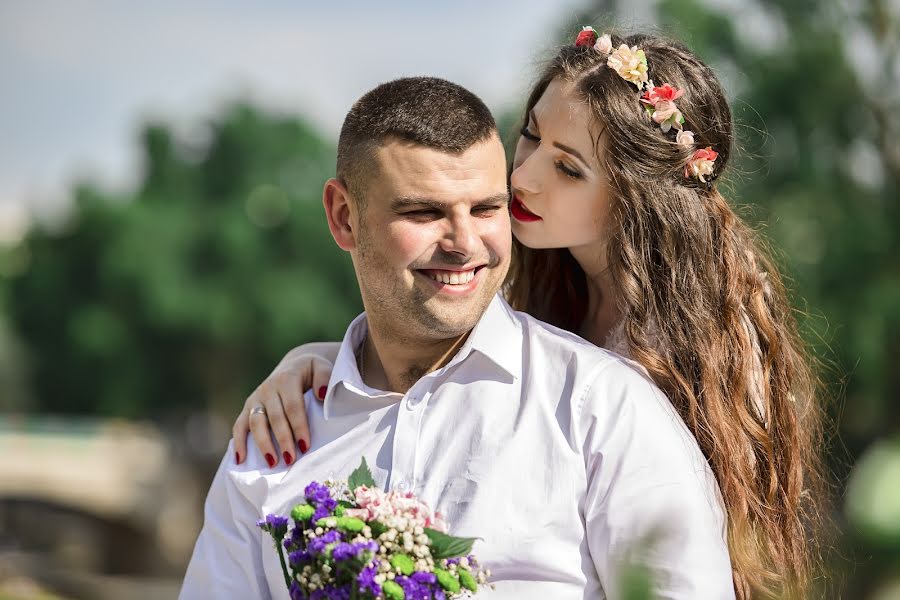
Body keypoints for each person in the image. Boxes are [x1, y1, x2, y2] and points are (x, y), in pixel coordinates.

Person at [233, 29, 825, 598]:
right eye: (532, 136)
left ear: (639, 195)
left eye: (568, 169)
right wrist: (319, 365)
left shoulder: (693, 348)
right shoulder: (533, 277)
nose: (524, 177)